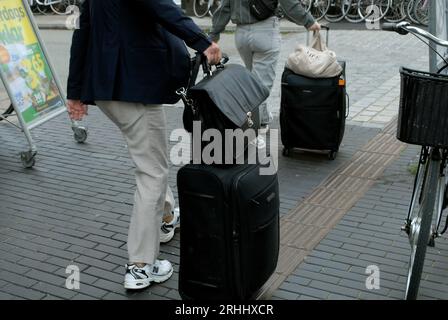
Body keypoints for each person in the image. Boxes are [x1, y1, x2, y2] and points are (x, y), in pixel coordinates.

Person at [67, 0, 222, 290]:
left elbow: (82, 33)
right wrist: (203, 42)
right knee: (151, 171)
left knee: (153, 160)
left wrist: (75, 92)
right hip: (133, 85)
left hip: (116, 87)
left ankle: (165, 217)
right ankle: (140, 266)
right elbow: (162, 7)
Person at [210, 0, 320, 147]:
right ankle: (253, 131)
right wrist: (309, 21)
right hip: (266, 32)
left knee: (253, 80)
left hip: (241, 35)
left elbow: (224, 8)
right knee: (260, 85)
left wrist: (214, 34)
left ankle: (263, 119)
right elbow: (289, 4)